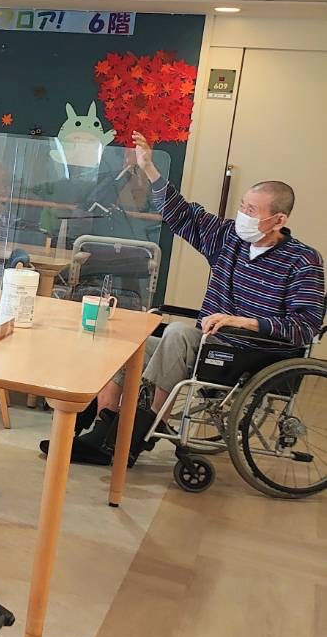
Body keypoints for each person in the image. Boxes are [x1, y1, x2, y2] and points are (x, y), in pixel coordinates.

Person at [51, 132, 325, 454]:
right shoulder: (229, 238)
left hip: (254, 353)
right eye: (242, 206)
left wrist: (242, 322)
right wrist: (148, 167)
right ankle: (103, 425)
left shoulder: (302, 260)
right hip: (210, 343)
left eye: (252, 210)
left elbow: (305, 326)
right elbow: (183, 214)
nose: (243, 215)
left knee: (178, 334)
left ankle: (144, 429)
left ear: (278, 220)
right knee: (130, 344)